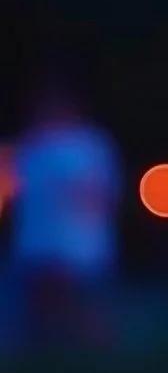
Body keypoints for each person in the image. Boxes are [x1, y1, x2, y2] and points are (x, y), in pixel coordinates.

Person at [8, 82, 122, 351]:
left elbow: (101, 194)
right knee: (41, 323)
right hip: (36, 248)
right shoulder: (32, 145)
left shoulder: (89, 145)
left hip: (80, 251)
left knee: (85, 319)